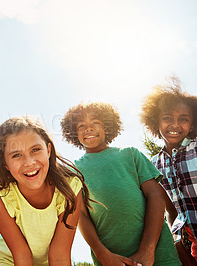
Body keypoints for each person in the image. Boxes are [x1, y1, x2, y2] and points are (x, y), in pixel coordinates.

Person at [61, 102, 181, 266]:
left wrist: (148, 249)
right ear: (74, 133)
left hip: (159, 255)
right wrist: (103, 255)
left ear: (107, 128)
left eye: (95, 122)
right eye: (81, 125)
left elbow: (156, 197)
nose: (88, 129)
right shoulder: (74, 170)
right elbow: (81, 215)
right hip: (111, 260)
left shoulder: (130, 154)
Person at [0, 116, 92, 265]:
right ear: (5, 164)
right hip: (11, 260)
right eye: (16, 155)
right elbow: (21, 255)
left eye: (35, 150)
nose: (29, 162)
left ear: (48, 150)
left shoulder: (70, 188)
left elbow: (60, 254)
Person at [141, 78, 197, 264]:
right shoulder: (154, 165)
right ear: (155, 121)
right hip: (190, 243)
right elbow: (170, 211)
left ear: (192, 123)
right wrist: (177, 241)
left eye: (184, 119)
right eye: (167, 118)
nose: (175, 125)